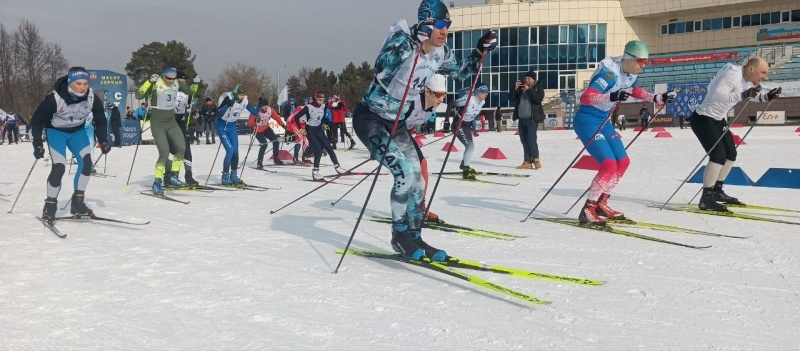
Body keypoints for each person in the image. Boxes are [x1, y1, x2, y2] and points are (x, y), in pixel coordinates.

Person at [352, 0, 495, 261]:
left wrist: (478, 52)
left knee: (418, 178)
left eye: (447, 26)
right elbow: (381, 70)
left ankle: (415, 235)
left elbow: (462, 74)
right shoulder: (401, 40)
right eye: (440, 25)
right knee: (404, 173)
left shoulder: (441, 52)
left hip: (397, 124)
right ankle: (399, 235)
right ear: (426, 24)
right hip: (371, 119)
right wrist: (411, 46)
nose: (445, 31)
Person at [574, 40, 676, 225]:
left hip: (604, 120)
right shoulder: (609, 73)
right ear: (629, 58)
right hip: (587, 119)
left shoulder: (629, 72)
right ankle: (588, 209)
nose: (643, 66)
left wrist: (656, 97)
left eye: (646, 62)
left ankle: (601, 203)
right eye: (641, 61)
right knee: (608, 164)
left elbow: (634, 90)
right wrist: (612, 96)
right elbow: (586, 97)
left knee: (623, 162)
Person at [690, 56, 779, 211]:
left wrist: (766, 97)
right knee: (718, 156)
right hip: (704, 118)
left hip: (718, 119)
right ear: (751, 69)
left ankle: (717, 191)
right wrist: (743, 95)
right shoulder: (732, 75)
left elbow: (751, 93)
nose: (765, 77)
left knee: (731, 154)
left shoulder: (746, 78)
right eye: (763, 72)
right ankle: (706, 198)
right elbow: (717, 95)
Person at [30, 66, 111, 224]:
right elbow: (37, 120)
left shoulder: (92, 97)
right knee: (59, 167)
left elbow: (100, 118)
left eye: (85, 84)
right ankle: (50, 205)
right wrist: (37, 144)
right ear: (70, 83)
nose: (82, 88)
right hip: (56, 133)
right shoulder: (55, 98)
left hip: (77, 133)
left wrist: (103, 140)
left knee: (86, 163)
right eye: (78, 84)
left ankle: (77, 202)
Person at [134, 64, 199, 194]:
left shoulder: (176, 83)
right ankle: (157, 182)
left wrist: (195, 84)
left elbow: (190, 92)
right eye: (168, 78)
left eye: (173, 78)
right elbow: (138, 95)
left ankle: (174, 175)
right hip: (158, 123)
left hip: (171, 122)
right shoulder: (156, 83)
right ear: (163, 75)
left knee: (181, 148)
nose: (170, 81)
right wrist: (148, 82)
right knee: (164, 153)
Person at [406, 74, 447, 223]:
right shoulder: (412, 102)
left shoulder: (431, 106)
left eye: (444, 95)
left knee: (422, 165)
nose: (441, 99)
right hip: (393, 134)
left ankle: (419, 206)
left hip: (405, 135)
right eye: (438, 95)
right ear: (427, 91)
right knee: (407, 171)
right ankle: (410, 208)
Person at [294, 91, 345, 180]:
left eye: (322, 100)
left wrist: (336, 100)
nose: (321, 102)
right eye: (319, 100)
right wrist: (301, 128)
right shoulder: (308, 107)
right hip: (310, 130)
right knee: (318, 151)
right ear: (315, 98)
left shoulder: (323, 106)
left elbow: (336, 106)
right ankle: (315, 172)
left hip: (319, 129)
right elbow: (296, 117)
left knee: (329, 148)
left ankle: (337, 167)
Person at [216, 84, 259, 185]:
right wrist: (227, 105)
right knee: (230, 151)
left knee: (235, 152)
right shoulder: (227, 98)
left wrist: (260, 105)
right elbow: (219, 113)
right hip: (222, 126)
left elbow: (254, 112)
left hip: (231, 127)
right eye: (239, 94)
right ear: (235, 93)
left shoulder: (244, 101)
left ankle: (234, 175)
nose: (241, 96)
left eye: (243, 94)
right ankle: (225, 176)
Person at [164, 70, 200, 186]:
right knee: (174, 151)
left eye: (185, 82)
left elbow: (190, 103)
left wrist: (193, 111)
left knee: (187, 150)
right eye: (181, 81)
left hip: (181, 124)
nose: (183, 84)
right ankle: (168, 176)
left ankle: (188, 176)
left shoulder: (186, 92)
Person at [511, 71, 545, 170]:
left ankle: (536, 159)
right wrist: (515, 88)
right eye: (525, 78)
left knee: (531, 139)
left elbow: (538, 99)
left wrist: (529, 90)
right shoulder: (521, 89)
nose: (526, 80)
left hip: (532, 118)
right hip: (522, 118)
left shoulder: (538, 87)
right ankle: (527, 161)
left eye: (529, 78)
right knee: (524, 140)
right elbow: (511, 98)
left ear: (534, 79)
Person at [454, 83, 488, 179]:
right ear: (478, 92)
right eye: (484, 92)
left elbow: (472, 116)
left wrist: (474, 128)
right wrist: (447, 121)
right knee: (470, 146)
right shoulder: (468, 99)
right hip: (459, 123)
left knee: (470, 146)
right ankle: (466, 168)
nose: (487, 94)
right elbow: (452, 103)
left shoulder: (482, 102)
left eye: (487, 92)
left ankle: (464, 164)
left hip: (466, 125)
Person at [247, 97, 287, 168]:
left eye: (267, 105)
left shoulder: (270, 110)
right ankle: (259, 162)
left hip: (265, 128)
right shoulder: (256, 111)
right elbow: (249, 123)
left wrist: (283, 125)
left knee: (275, 141)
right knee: (264, 144)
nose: (266, 107)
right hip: (257, 130)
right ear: (261, 106)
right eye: (264, 106)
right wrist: (255, 120)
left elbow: (276, 118)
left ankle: (276, 158)